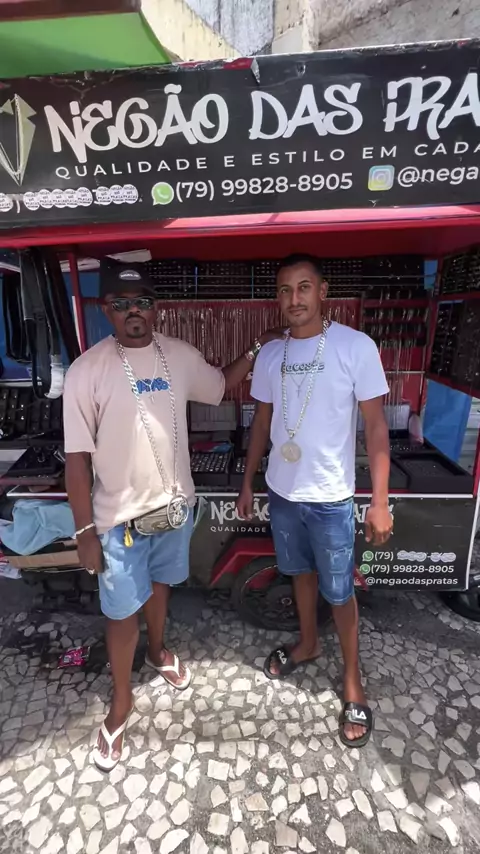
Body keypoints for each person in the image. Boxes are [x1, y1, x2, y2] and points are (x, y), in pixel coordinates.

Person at [64, 258, 281, 771]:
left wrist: (256, 348)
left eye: (142, 302)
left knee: (161, 587)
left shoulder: (177, 355)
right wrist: (85, 531)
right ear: (106, 310)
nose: (133, 311)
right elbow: (76, 460)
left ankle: (158, 652)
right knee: (121, 612)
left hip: (173, 509)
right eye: (121, 304)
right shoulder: (86, 371)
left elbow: (220, 383)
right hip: (118, 521)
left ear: (155, 307)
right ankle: (121, 703)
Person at [237, 254, 392, 749]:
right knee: (299, 574)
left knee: (340, 592)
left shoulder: (355, 347)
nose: (294, 299)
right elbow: (262, 422)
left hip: (330, 498)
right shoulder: (270, 355)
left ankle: (352, 679)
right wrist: (248, 481)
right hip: (283, 492)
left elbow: (376, 426)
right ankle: (307, 644)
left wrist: (380, 500)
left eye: (304, 287)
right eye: (285, 290)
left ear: (323, 292)